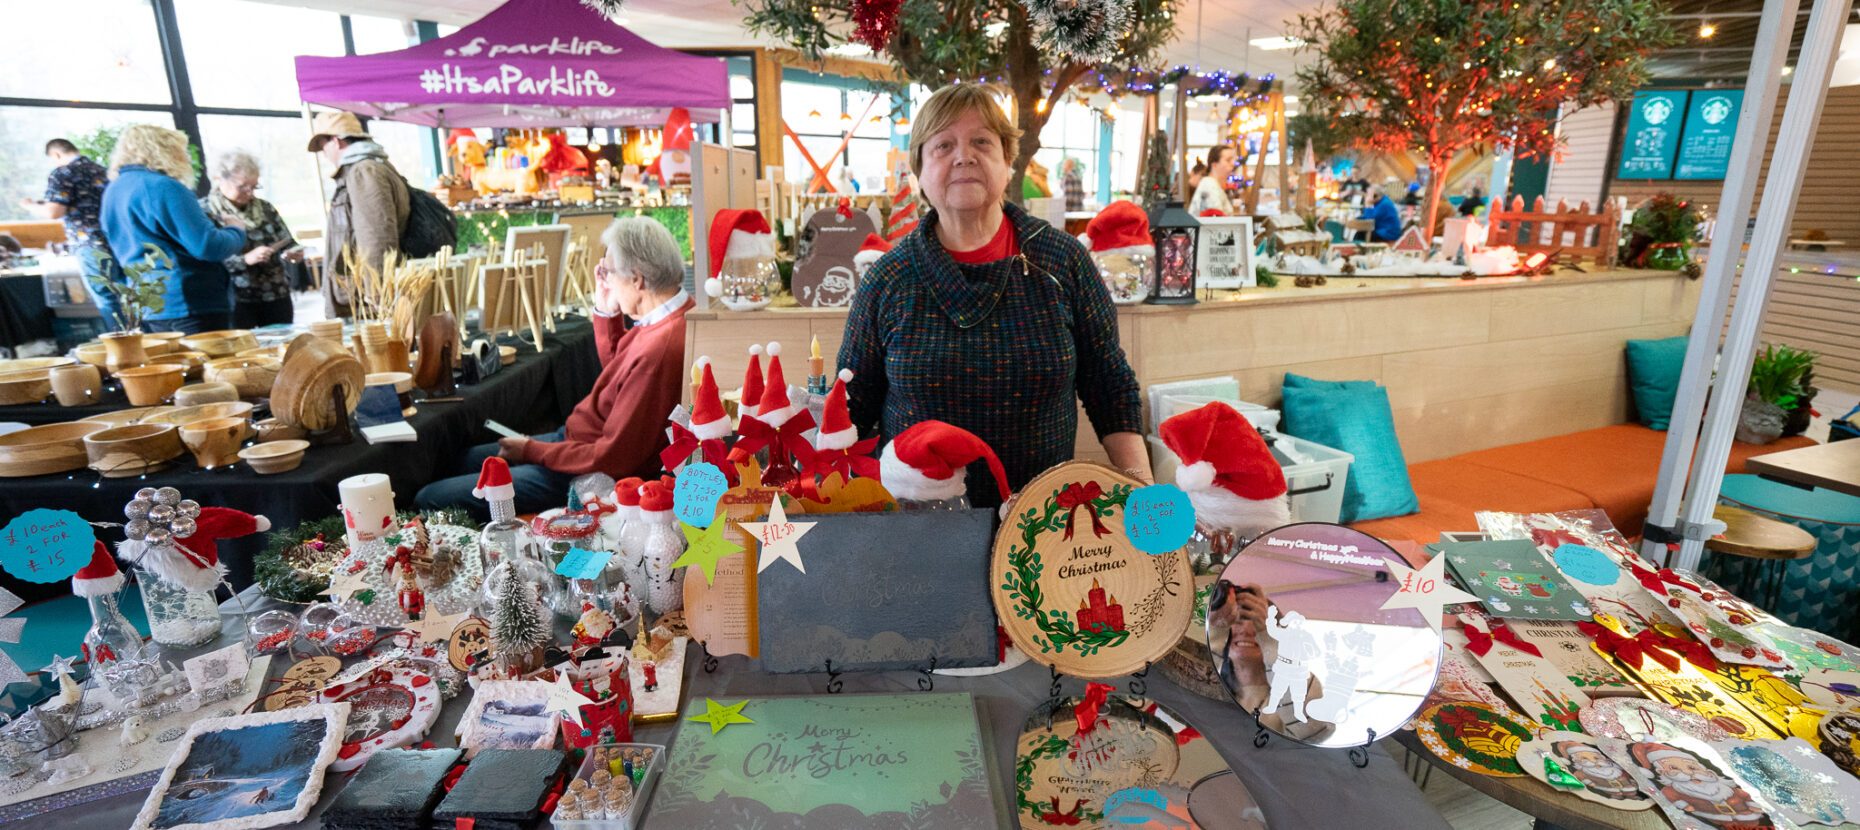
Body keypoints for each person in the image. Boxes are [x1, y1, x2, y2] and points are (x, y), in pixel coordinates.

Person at [838, 82, 1149, 511]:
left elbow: (1110, 387)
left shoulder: (1063, 262)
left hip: (1045, 525)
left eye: (981, 142)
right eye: (943, 145)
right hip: (917, 527)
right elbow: (850, 409)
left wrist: (1144, 494)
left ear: (1008, 161)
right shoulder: (888, 279)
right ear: (920, 171)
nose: (963, 156)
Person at [416, 216, 692, 519]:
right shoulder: (672, 315)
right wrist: (606, 312)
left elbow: (614, 458)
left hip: (589, 471)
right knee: (464, 460)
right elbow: (621, 375)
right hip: (579, 443)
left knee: (430, 498)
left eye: (608, 272)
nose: (605, 279)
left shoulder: (660, 348)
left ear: (637, 279)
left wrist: (531, 450)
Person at [98, 125, 247, 334]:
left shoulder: (113, 190)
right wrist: (236, 230)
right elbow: (207, 246)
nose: (187, 157)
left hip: (147, 303)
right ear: (166, 150)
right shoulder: (165, 187)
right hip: (188, 300)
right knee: (204, 356)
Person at [309, 110, 408, 319]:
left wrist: (379, 296)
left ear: (336, 141)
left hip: (365, 299)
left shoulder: (364, 171)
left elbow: (376, 237)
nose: (325, 154)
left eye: (324, 147)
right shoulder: (369, 167)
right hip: (359, 293)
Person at [200, 151, 303, 328]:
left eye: (254, 186)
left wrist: (293, 252)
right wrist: (245, 260)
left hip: (276, 295)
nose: (250, 193)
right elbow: (204, 257)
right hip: (235, 299)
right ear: (219, 179)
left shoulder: (265, 207)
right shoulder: (204, 212)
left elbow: (287, 240)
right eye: (242, 186)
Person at [20, 139, 116, 321]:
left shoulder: (62, 173)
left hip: (89, 242)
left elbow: (53, 212)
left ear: (56, 154)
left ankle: (122, 338)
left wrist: (29, 205)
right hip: (116, 241)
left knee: (106, 299)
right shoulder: (103, 171)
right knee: (128, 296)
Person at [1188, 145, 1236, 215]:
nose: (1232, 164)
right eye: (1228, 160)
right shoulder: (1209, 185)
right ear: (1214, 164)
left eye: (1233, 160)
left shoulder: (1213, 185)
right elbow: (1214, 218)